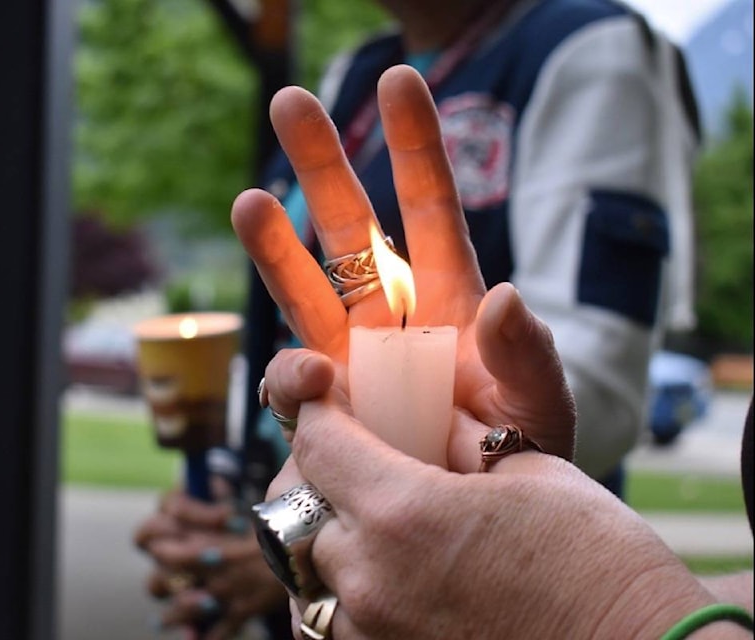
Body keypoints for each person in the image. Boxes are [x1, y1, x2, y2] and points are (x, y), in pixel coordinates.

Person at [135, 0, 702, 635]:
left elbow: (597, 385)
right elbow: (304, 340)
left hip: (510, 593)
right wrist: (239, 506)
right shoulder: (359, 71)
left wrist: (313, 525)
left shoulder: (588, 47)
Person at [235, 64, 753, 639]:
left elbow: (607, 373)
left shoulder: (588, 50)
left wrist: (609, 611)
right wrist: (353, 558)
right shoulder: (355, 68)